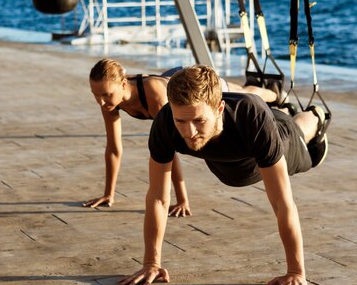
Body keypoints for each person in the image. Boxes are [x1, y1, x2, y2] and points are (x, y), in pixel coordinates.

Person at [118, 64, 331, 285]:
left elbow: (283, 202)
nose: (189, 132)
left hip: (277, 137)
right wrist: (151, 263)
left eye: (199, 121)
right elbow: (158, 198)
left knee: (303, 139)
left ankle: (315, 114)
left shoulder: (250, 116)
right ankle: (286, 110)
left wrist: (295, 271)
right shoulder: (166, 123)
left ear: (219, 108)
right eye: (181, 121)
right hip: (231, 167)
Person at [85, 58, 278, 216]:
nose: (100, 101)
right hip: (173, 79)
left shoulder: (153, 94)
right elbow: (113, 148)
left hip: (193, 88)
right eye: (95, 95)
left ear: (123, 84)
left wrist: (182, 200)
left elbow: (169, 149)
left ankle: (274, 94)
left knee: (245, 93)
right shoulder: (109, 102)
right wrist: (108, 194)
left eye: (106, 94)